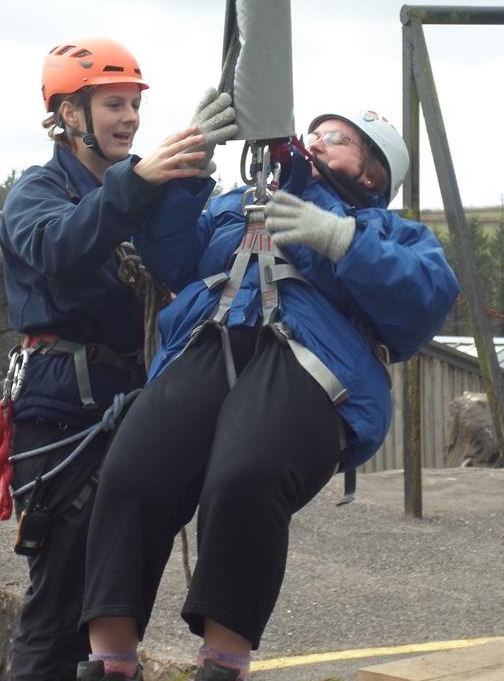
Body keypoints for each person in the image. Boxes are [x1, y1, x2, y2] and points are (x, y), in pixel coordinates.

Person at [76, 108, 460, 681]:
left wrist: (339, 239)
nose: (317, 141)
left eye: (339, 139)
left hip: (313, 360)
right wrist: (193, 163)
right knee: (133, 470)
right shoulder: (240, 204)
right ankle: (110, 662)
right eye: (318, 132)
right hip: (211, 339)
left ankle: (223, 664)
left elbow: (426, 298)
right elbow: (171, 257)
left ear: (372, 175)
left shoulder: (384, 230)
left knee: (247, 473)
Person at [0, 36, 237, 681]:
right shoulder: (36, 193)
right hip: (59, 416)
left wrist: (188, 167)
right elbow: (59, 247)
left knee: (112, 601)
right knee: (60, 605)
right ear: (71, 115)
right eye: (113, 104)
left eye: (133, 104)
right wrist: (142, 179)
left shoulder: (135, 196)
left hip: (126, 405)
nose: (130, 118)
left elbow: (177, 254)